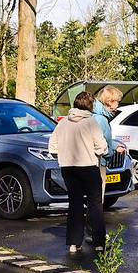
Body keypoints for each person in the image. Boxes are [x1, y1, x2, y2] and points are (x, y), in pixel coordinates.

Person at [48, 92, 108, 255]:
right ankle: (99, 243)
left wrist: (63, 155)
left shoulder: (62, 123)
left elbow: (52, 147)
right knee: (95, 204)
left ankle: (74, 243)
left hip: (68, 168)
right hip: (88, 166)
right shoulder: (91, 122)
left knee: (74, 203)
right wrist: (96, 152)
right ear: (90, 105)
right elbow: (102, 147)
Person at [93, 86, 127, 193]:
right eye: (117, 101)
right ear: (109, 102)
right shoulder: (101, 119)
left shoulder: (95, 114)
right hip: (98, 161)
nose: (118, 104)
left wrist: (115, 146)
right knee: (98, 196)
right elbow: (104, 143)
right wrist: (112, 151)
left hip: (89, 162)